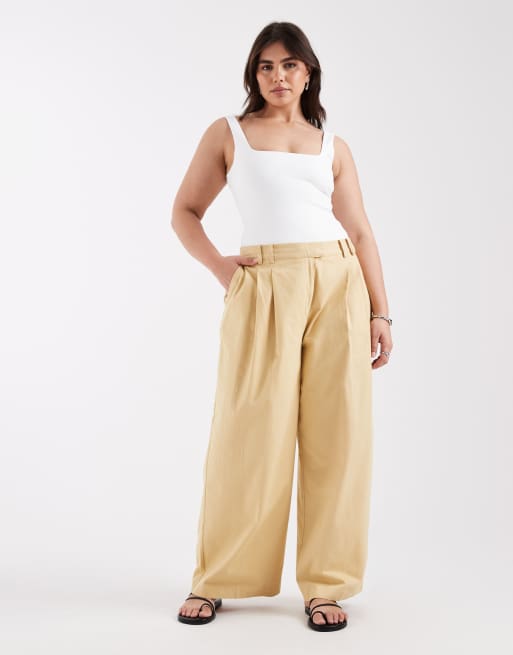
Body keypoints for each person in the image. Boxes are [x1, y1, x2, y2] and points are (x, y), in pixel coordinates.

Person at [171, 21, 393, 632]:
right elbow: (184, 211)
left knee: (337, 437)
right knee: (248, 433)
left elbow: (360, 230)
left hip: (337, 283)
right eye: (266, 66)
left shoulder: (331, 146)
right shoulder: (230, 133)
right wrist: (220, 267)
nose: (278, 76)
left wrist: (380, 311)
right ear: (254, 73)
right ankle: (217, 578)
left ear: (308, 72)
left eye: (290, 65)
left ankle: (327, 585)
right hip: (264, 283)